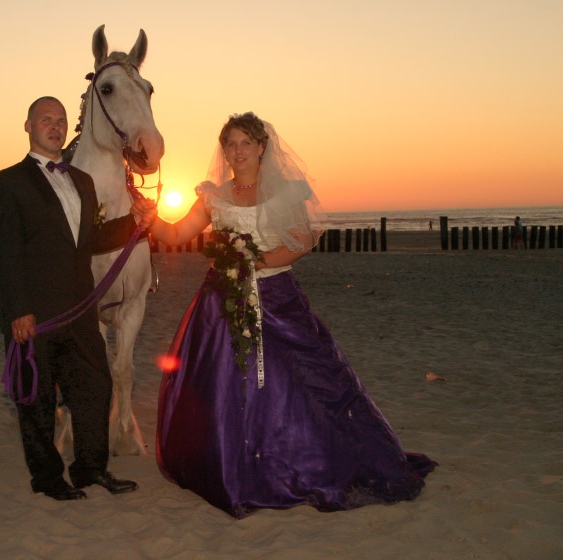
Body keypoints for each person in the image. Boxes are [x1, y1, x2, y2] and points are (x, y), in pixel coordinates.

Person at [149, 112, 436, 518]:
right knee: (223, 384)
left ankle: (299, 461)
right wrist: (149, 219)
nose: (237, 151)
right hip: (222, 301)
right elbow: (177, 234)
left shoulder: (285, 191)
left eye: (245, 142)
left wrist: (253, 262)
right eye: (230, 143)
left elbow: (301, 241)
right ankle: (231, 463)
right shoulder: (213, 195)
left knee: (299, 382)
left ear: (262, 146)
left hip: (277, 296)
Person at [0, 96, 157, 501]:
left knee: (94, 388)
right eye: (45, 119)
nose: (55, 126)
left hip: (80, 309)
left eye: (61, 120)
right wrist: (18, 311)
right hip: (35, 313)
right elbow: (4, 253)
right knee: (39, 399)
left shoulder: (82, 182)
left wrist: (133, 223)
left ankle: (91, 469)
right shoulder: (7, 182)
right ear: (27, 126)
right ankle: (47, 479)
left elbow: (89, 241)